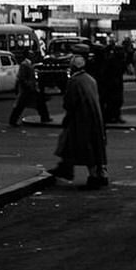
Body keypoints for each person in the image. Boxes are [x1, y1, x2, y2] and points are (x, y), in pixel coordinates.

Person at [50, 54, 109, 188]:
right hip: (96, 118)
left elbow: (69, 102)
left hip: (80, 120)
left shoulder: (74, 81)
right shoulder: (91, 79)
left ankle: (91, 175)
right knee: (96, 146)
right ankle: (101, 173)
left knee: (83, 146)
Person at [8, 53, 53, 126]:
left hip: (28, 88)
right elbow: (22, 77)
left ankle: (45, 117)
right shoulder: (25, 65)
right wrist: (28, 85)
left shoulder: (27, 64)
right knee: (22, 105)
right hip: (27, 89)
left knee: (37, 103)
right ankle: (44, 117)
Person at [99, 42, 127, 125]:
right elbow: (106, 72)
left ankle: (115, 116)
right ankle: (112, 116)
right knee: (112, 101)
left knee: (117, 101)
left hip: (116, 82)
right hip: (111, 83)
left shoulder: (119, 60)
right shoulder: (111, 60)